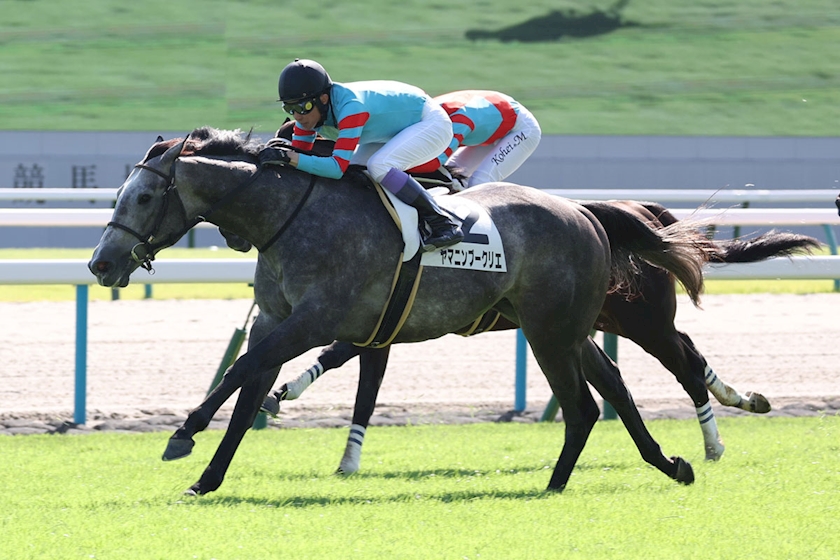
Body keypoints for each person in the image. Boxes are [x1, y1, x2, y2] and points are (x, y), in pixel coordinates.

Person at [257, 58, 464, 253]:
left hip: (432, 123)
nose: (298, 116)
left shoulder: (351, 107)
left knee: (379, 166)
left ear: (323, 99)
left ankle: (443, 223)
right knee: (356, 171)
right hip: (393, 130)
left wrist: (288, 158)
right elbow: (299, 157)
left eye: (303, 107)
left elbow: (335, 168)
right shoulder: (309, 116)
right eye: (290, 108)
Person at [408, 90, 542, 189]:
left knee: (479, 182)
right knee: (457, 178)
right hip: (489, 123)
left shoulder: (453, 122)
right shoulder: (428, 116)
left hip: (521, 129)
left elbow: (434, 162)